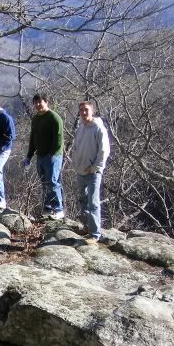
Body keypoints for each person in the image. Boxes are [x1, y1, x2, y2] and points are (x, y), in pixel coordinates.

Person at [71, 100, 110, 243]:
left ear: (92, 111)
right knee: (83, 200)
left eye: (86, 110)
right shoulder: (81, 127)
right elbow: (76, 148)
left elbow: (104, 151)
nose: (83, 112)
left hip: (93, 172)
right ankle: (88, 227)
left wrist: (95, 168)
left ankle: (95, 234)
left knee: (93, 202)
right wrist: (75, 163)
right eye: (81, 110)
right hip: (80, 170)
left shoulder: (98, 128)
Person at [23, 93, 64, 218]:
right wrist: (29, 156)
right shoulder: (35, 119)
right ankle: (47, 208)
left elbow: (58, 138)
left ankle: (58, 209)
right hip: (40, 156)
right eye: (35, 102)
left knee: (52, 182)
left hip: (53, 156)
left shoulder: (54, 117)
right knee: (44, 183)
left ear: (46, 102)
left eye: (40, 102)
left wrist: (52, 154)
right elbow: (33, 138)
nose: (37, 105)